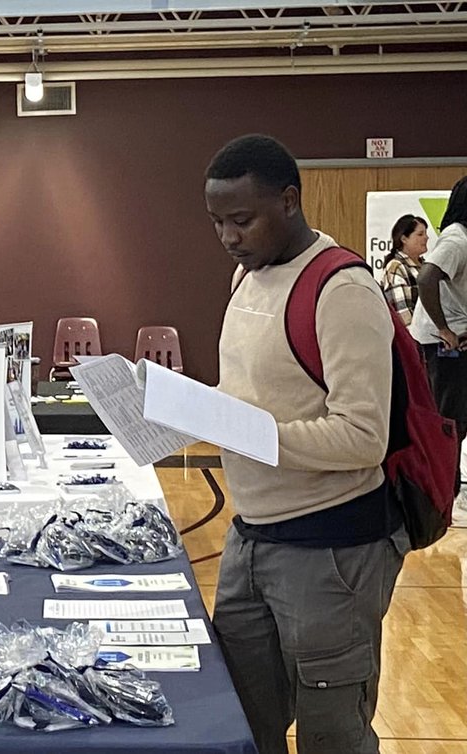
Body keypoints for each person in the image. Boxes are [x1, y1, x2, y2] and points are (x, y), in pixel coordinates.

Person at [205, 134, 406, 754]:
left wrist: (250, 434)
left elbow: (363, 437)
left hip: (331, 551)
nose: (229, 237)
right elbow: (248, 396)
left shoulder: (341, 289)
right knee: (242, 725)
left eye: (242, 220)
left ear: (289, 201)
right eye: (217, 222)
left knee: (331, 734)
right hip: (251, 538)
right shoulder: (246, 277)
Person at [411, 175, 467, 524]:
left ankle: (451, 490)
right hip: (444, 345)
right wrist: (445, 329)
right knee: (450, 420)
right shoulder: (457, 239)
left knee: (459, 419)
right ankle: (444, 496)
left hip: (457, 340)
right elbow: (426, 277)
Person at [381, 214, 429, 325]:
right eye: (420, 234)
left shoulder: (425, 265)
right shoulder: (396, 268)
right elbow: (403, 315)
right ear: (404, 239)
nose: (426, 237)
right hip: (414, 333)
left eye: (426, 233)